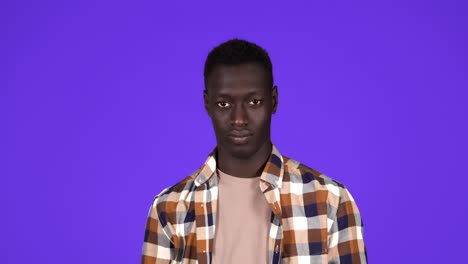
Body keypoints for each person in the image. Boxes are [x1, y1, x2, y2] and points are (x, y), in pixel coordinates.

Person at [141, 39, 367, 264]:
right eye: (224, 104)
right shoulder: (168, 208)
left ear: (274, 101)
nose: (239, 119)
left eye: (254, 101)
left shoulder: (330, 200)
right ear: (207, 103)